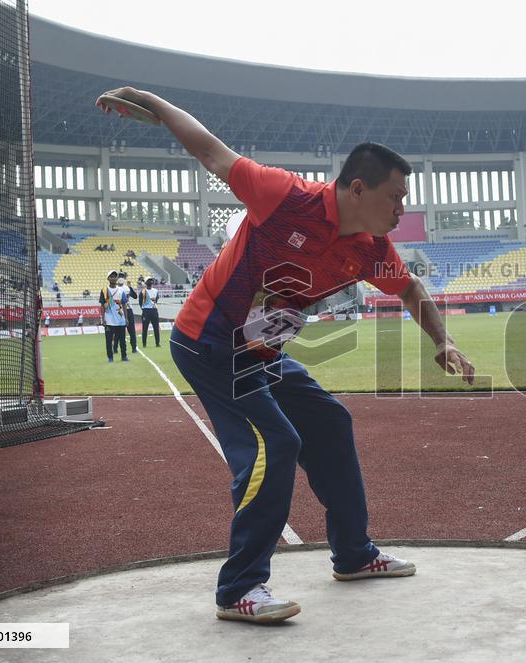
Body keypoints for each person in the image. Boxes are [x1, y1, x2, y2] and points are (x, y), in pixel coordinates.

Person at [97, 87, 475, 624]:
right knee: (275, 443)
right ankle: (239, 589)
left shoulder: (370, 249)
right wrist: (151, 103)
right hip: (209, 342)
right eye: (395, 197)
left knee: (330, 423)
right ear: (358, 188)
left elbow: (410, 288)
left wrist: (443, 340)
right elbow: (211, 152)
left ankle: (354, 554)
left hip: (259, 351)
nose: (402, 210)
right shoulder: (284, 196)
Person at [99, 270, 129, 362]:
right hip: (109, 320)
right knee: (108, 341)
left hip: (120, 320)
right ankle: (110, 358)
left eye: (115, 276)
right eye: (111, 276)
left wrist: (126, 318)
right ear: (108, 278)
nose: (113, 278)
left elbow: (124, 304)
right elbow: (102, 305)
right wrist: (102, 318)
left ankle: (124, 356)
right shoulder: (104, 290)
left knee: (122, 340)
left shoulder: (121, 290)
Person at [114, 276, 138, 354]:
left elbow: (135, 296)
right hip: (122, 309)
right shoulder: (119, 288)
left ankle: (133, 347)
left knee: (128, 330)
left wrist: (130, 288)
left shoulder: (126, 288)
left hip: (123, 309)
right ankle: (117, 348)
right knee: (121, 330)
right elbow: (135, 296)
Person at [139, 277, 161, 347]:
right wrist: (144, 309)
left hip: (154, 310)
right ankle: (144, 344)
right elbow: (140, 302)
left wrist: (153, 305)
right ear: (146, 282)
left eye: (151, 280)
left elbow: (156, 300)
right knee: (145, 328)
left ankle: (157, 343)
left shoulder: (155, 291)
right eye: (148, 281)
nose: (150, 282)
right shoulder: (143, 291)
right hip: (146, 311)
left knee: (156, 328)